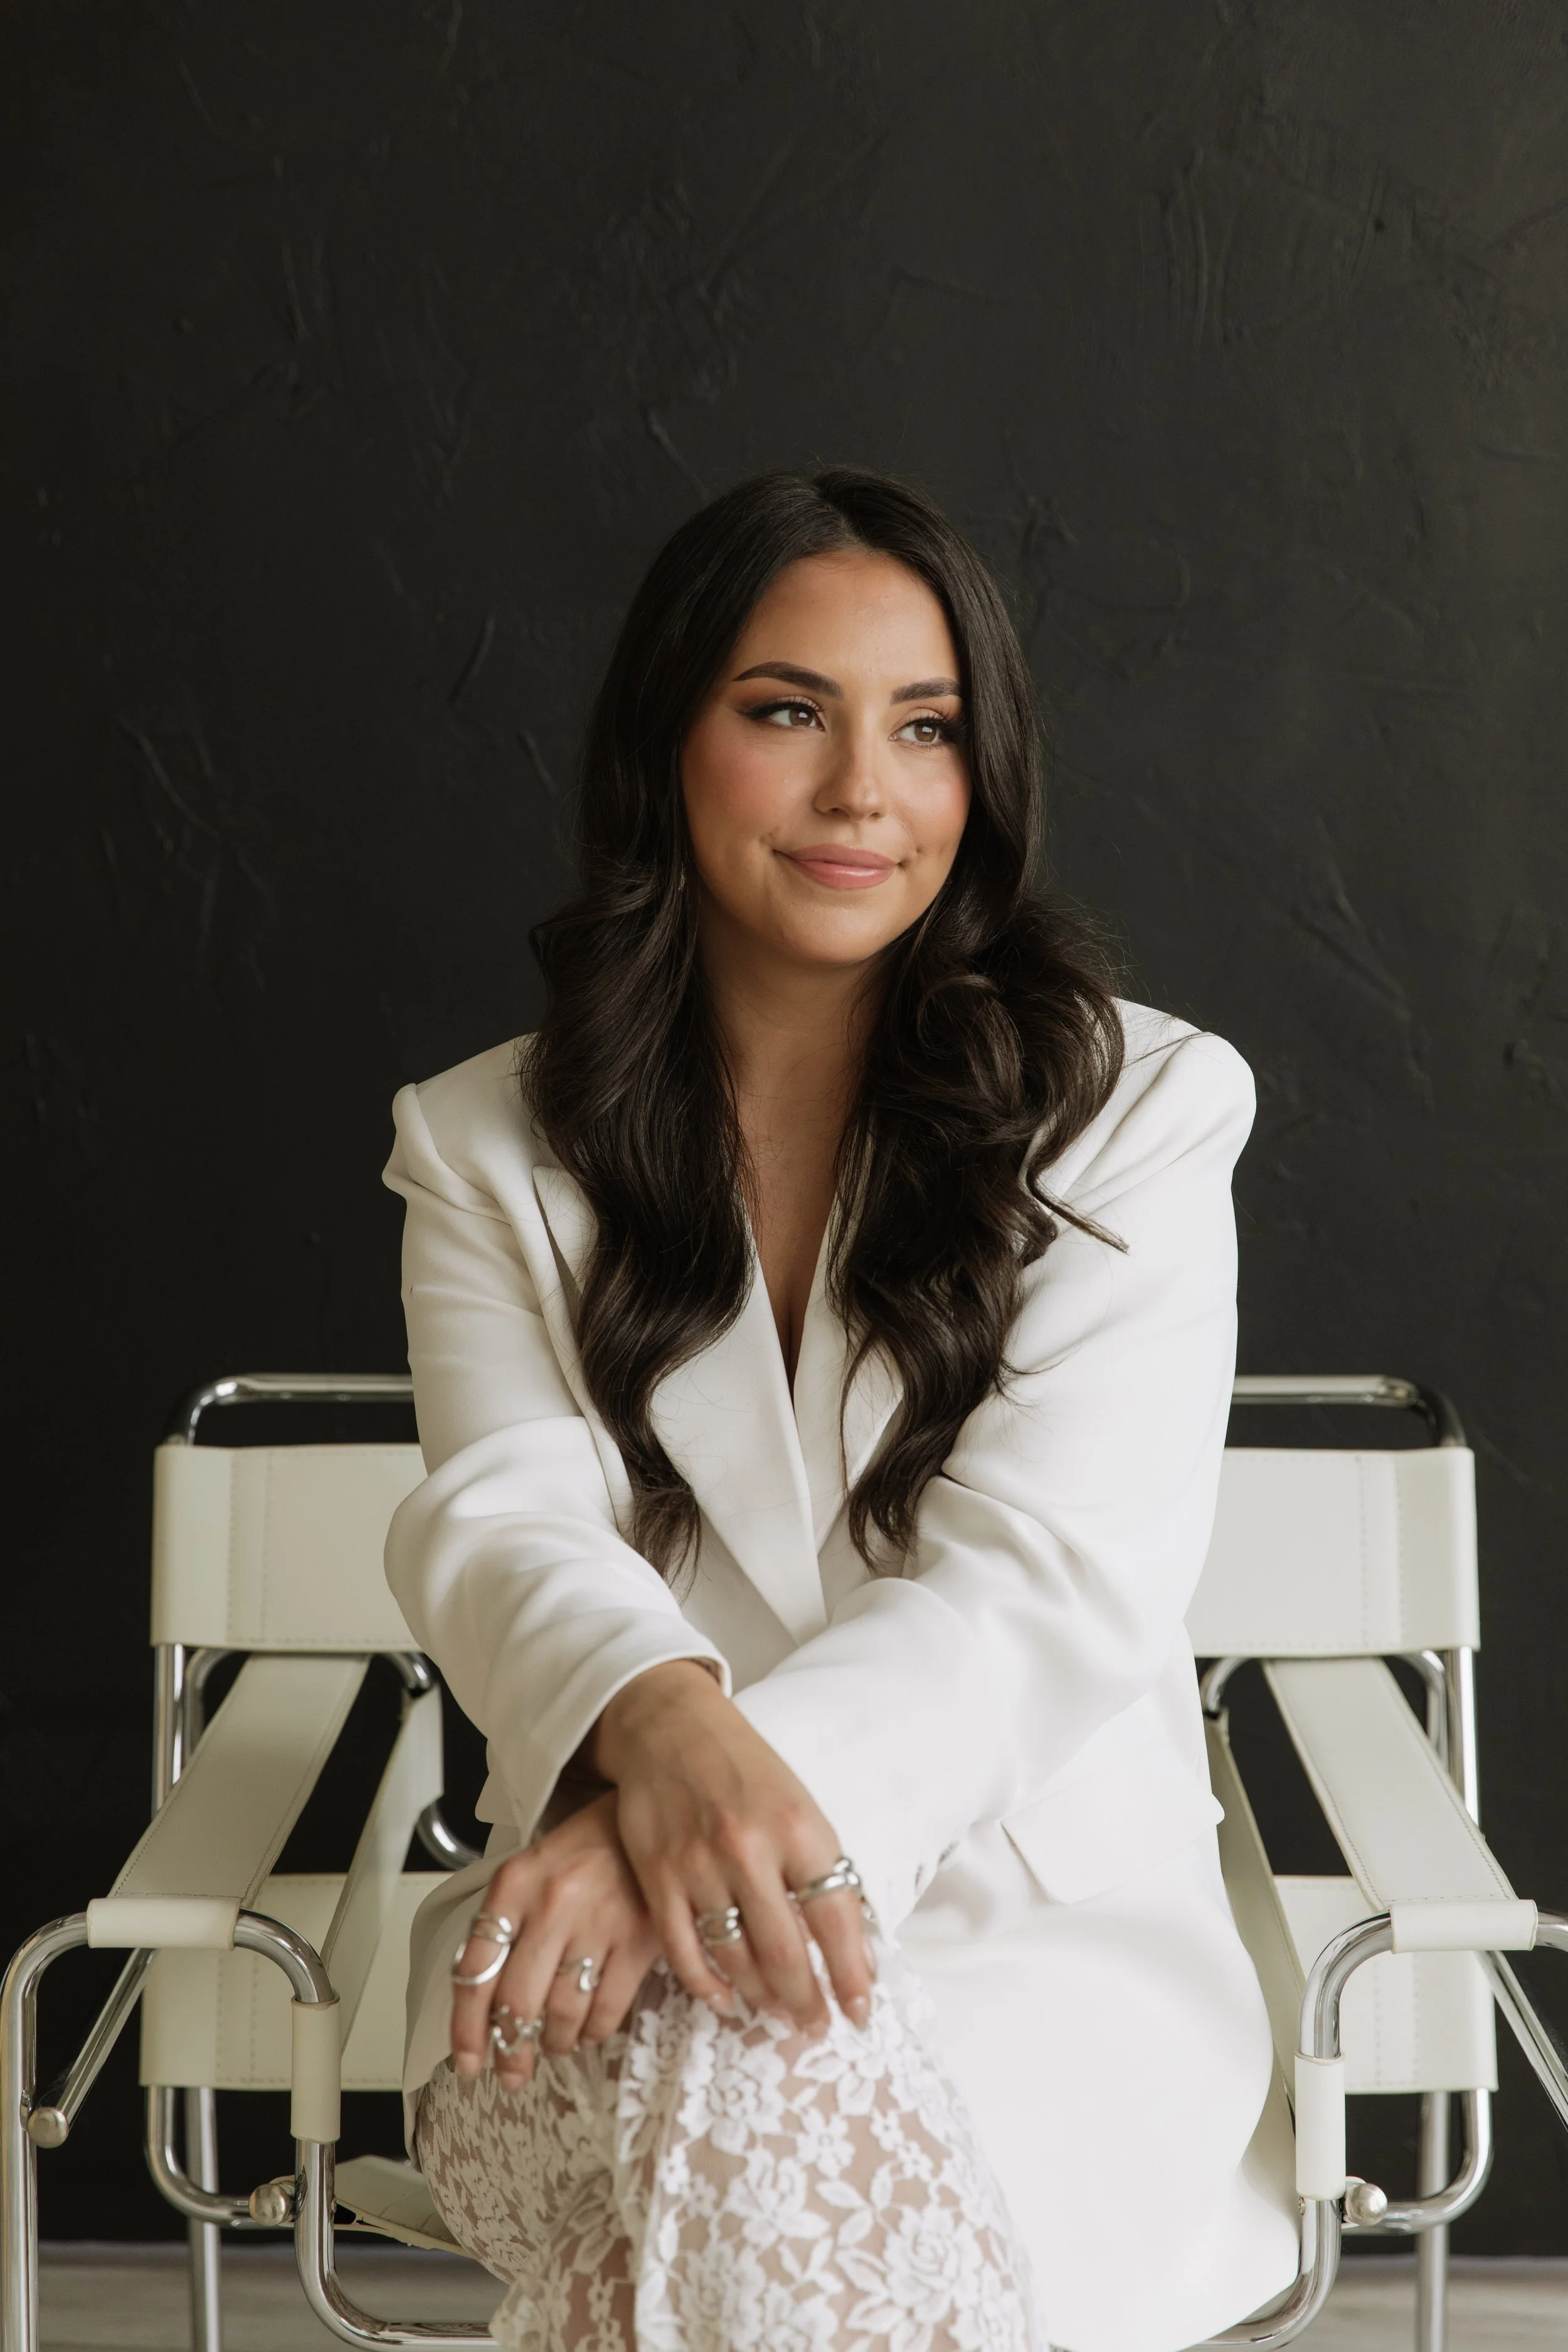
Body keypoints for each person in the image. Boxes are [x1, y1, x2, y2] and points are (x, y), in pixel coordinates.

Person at [381, 469, 1298, 2352]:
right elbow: (504, 1522)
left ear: (985, 776)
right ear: (668, 740)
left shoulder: (1139, 1109)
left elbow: (1042, 1587)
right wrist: (655, 1743)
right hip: (576, 1945)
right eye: (786, 709)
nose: (862, 791)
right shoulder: (481, 1139)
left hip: (1037, 1959)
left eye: (927, 727)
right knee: (707, 2085)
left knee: (714, 2172)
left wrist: (714, 1830)